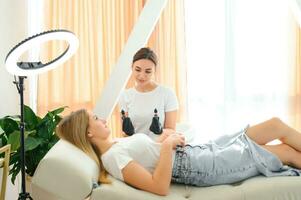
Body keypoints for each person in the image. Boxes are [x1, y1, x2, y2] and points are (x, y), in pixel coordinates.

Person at [56, 109, 301, 196]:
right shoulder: (113, 160)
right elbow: (158, 186)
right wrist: (166, 146)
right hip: (203, 167)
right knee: (286, 152)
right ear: (88, 134)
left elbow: (149, 152)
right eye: (95, 119)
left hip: (199, 152)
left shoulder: (116, 145)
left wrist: (166, 138)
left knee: (275, 124)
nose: (102, 119)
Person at [119, 47, 179, 140]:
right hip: (135, 148)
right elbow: (125, 133)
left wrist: (160, 131)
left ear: (154, 71)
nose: (142, 75)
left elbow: (171, 130)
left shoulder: (167, 93)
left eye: (148, 71)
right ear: (132, 67)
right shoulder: (125, 96)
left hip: (159, 147)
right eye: (138, 70)